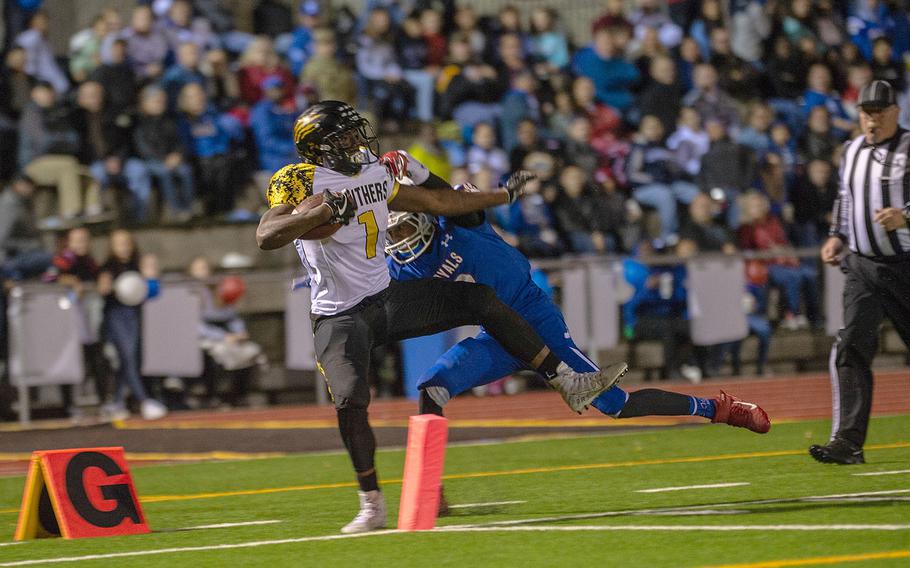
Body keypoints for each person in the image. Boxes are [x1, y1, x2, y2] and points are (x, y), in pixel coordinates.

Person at [256, 100, 626, 534]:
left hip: (387, 298)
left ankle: (567, 379)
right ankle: (371, 502)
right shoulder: (297, 179)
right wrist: (320, 213)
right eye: (346, 136)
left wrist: (503, 195)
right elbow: (266, 235)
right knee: (352, 400)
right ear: (321, 147)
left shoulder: (373, 172)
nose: (358, 141)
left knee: (480, 299)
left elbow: (436, 200)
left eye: (358, 132)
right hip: (340, 315)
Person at [383, 154, 768, 431]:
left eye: (404, 227)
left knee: (617, 406)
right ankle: (429, 484)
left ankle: (716, 408)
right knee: (431, 387)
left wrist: (415, 169)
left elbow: (454, 201)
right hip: (496, 337)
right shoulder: (400, 265)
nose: (401, 239)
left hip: (534, 319)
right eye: (393, 233)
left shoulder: (457, 222)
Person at [811, 81, 910, 465]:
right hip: (863, 265)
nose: (872, 118)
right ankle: (848, 442)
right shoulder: (851, 150)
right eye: (866, 111)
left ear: (895, 112)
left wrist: (906, 216)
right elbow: (845, 198)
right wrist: (837, 235)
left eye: (880, 111)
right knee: (850, 346)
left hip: (905, 265)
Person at [96, 229, 168, 421]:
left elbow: (150, 291)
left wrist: (151, 276)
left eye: (127, 243)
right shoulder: (108, 267)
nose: (124, 248)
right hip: (115, 315)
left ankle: (116, 401)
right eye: (119, 244)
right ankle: (144, 399)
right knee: (127, 356)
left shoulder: (138, 265)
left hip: (133, 314)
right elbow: (102, 289)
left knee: (129, 359)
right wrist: (106, 286)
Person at [133, 85, 195, 222]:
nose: (160, 104)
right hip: (153, 161)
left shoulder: (171, 120)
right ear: (145, 103)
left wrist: (178, 155)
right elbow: (143, 147)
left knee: (186, 171)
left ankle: (188, 208)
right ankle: (176, 209)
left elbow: (179, 141)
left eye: (162, 101)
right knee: (165, 172)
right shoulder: (140, 123)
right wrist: (163, 159)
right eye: (156, 101)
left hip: (173, 159)